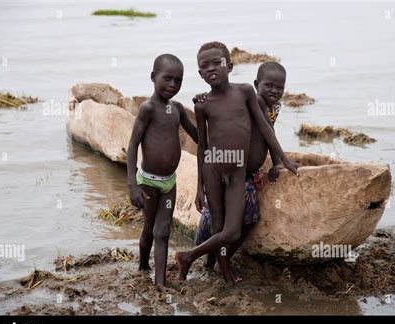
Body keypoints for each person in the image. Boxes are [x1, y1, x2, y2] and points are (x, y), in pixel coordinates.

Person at [175, 42, 298, 285]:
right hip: (213, 168)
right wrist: (200, 187)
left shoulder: (244, 92)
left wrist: (282, 159)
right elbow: (203, 146)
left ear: (230, 66)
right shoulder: (202, 104)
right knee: (218, 226)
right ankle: (225, 271)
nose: (211, 69)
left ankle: (188, 257)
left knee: (230, 232)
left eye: (217, 63)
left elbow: (265, 127)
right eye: (204, 66)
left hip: (237, 169)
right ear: (199, 74)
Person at [193, 62, 290, 278]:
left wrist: (277, 163)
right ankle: (212, 260)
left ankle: (213, 262)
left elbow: (269, 134)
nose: (274, 91)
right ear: (256, 84)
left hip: (248, 174)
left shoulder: (273, 107)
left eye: (280, 88)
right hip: (235, 172)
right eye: (269, 86)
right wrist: (203, 97)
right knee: (224, 222)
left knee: (240, 221)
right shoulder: (252, 100)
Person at [126, 54, 197, 286]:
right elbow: (133, 144)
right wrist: (132, 185)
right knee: (149, 228)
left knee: (163, 231)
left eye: (178, 81)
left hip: (169, 182)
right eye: (167, 79)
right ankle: (143, 265)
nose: (173, 85)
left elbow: (198, 137)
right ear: (153, 77)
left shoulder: (177, 108)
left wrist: (205, 110)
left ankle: (160, 283)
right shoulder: (148, 108)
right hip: (147, 182)